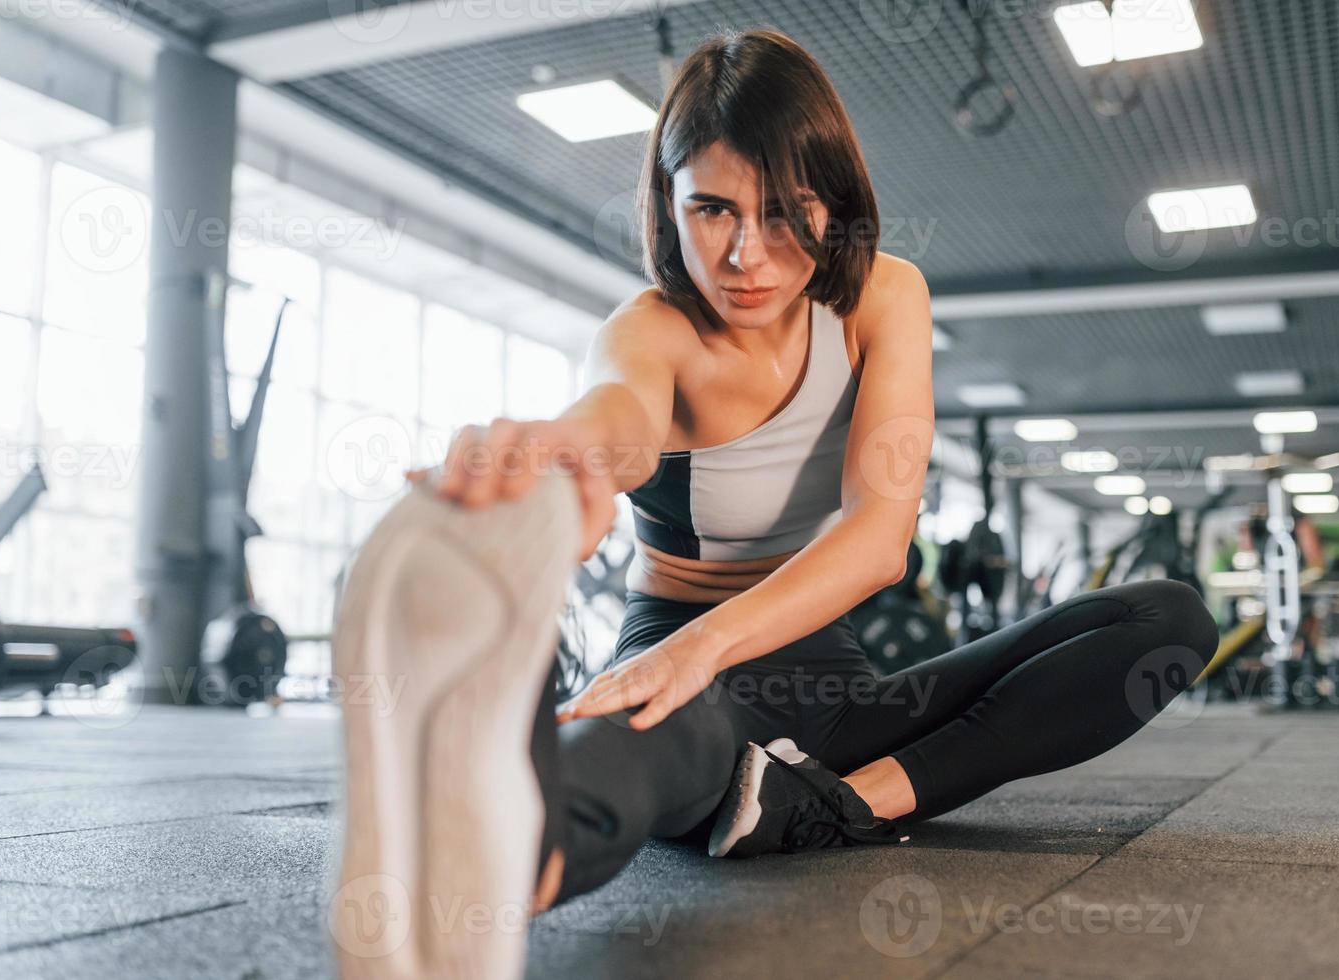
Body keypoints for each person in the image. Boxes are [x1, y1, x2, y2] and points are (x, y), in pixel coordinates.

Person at [328, 28, 1219, 979]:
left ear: (835, 204)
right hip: (685, 663)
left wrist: (710, 650)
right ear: (668, 208)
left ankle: (837, 806)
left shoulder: (885, 298)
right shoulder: (651, 332)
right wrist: (554, 461)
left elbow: (881, 541)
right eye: (711, 208)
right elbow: (616, 420)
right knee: (644, 748)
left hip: (830, 685)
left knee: (1166, 620)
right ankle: (504, 855)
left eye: (785, 211)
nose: (747, 254)